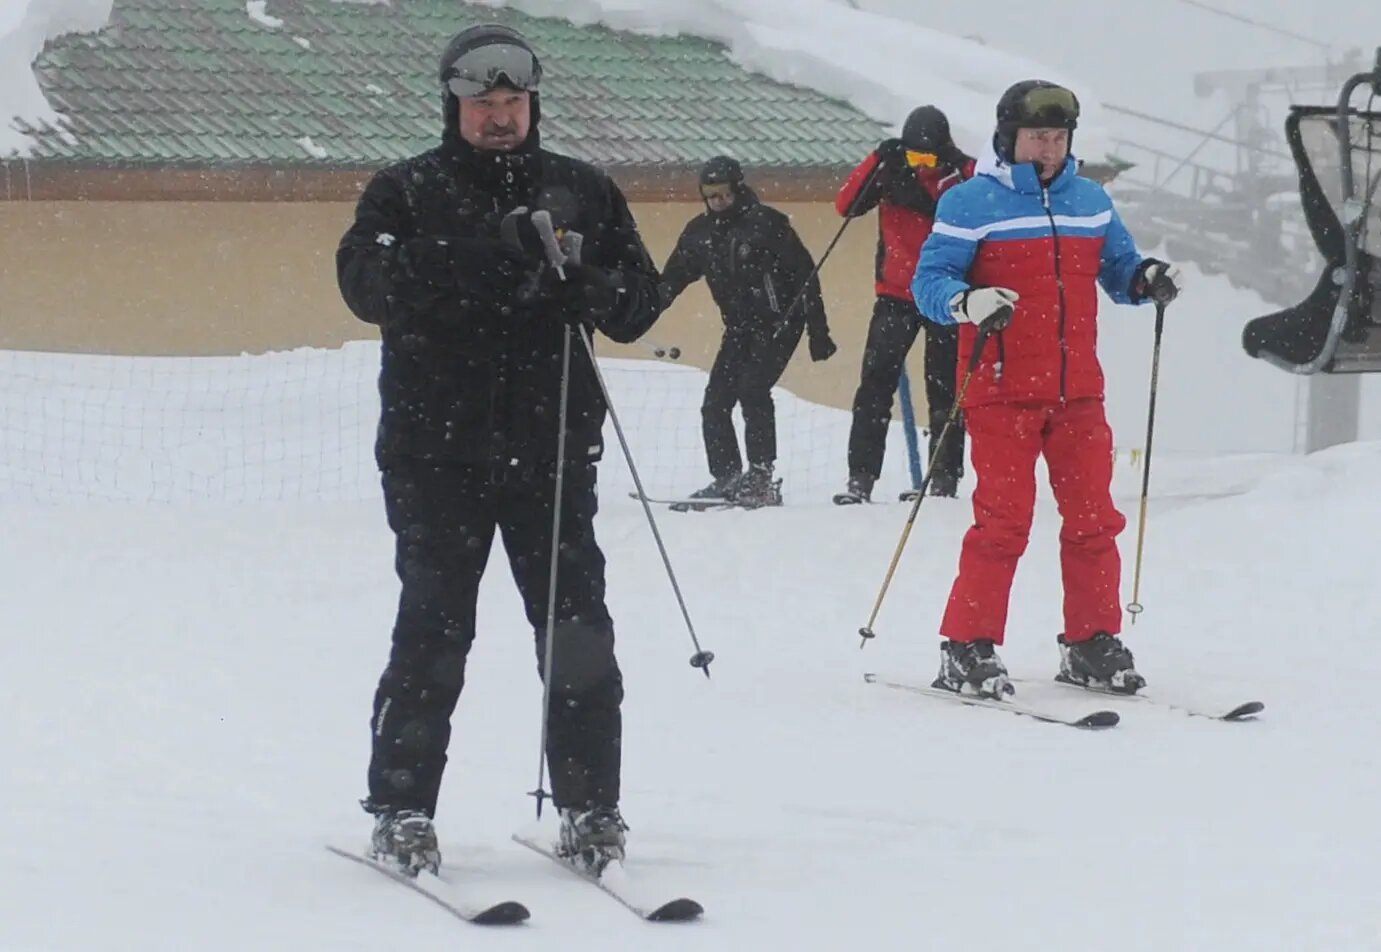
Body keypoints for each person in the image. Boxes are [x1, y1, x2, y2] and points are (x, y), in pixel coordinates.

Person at [335, 23, 663, 877]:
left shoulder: (582, 189)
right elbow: (367, 287)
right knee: (434, 636)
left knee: (576, 636)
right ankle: (402, 809)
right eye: (482, 103)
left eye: (511, 102)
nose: (498, 117)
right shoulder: (405, 191)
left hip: (551, 453)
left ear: (532, 103)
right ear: (453, 103)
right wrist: (488, 255)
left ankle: (591, 809)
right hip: (435, 456)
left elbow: (640, 301)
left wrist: (589, 285)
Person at [912, 80, 1183, 699]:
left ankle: (1090, 641)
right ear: (1009, 137)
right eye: (1038, 137)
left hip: (1077, 390)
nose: (1049, 149)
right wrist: (966, 301)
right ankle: (967, 645)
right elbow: (929, 282)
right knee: (1003, 523)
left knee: (1094, 519)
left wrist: (1146, 279)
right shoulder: (969, 202)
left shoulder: (1089, 199)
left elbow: (1117, 268)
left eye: (1059, 138)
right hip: (1000, 386)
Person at [659, 156, 837, 508]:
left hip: (780, 323)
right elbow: (671, 280)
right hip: (740, 327)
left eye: (724, 194)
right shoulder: (700, 234)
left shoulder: (767, 224)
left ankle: (760, 477)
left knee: (752, 390)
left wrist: (819, 331)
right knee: (715, 401)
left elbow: (805, 276)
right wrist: (639, 312)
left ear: (738, 189)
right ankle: (726, 476)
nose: (718, 202)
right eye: (710, 196)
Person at [833, 106, 976, 505]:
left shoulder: (964, 175)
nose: (921, 166)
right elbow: (847, 206)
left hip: (947, 297)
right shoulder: (890, 169)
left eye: (928, 159)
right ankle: (860, 478)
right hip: (894, 295)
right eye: (914, 157)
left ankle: (943, 479)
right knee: (874, 387)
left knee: (945, 390)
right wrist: (879, 157)